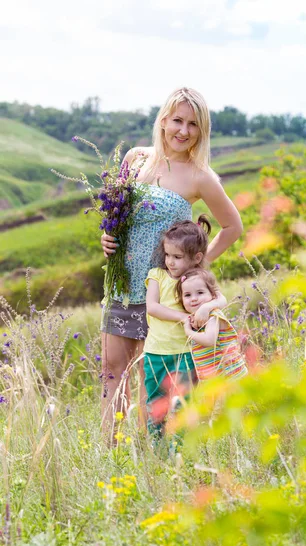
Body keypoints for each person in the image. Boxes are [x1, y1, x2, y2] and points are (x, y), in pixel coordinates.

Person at [100, 87, 243, 439]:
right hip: (121, 282)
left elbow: (232, 226)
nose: (183, 130)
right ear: (163, 120)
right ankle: (113, 449)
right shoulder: (134, 160)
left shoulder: (199, 176)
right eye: (177, 120)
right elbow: (116, 216)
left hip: (162, 293)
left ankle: (161, 453)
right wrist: (105, 239)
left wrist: (195, 268)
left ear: (201, 130)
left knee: (158, 376)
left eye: (193, 124)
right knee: (111, 369)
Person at [144, 216, 226, 434]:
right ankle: (158, 448)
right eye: (168, 255)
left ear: (196, 257)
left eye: (177, 257)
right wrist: (182, 318)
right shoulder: (157, 275)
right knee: (156, 402)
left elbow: (221, 299)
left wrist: (206, 308)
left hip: (188, 353)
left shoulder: (199, 278)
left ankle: (182, 449)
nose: (170, 262)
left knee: (185, 404)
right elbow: (152, 307)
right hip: (157, 353)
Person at [176, 268, 248, 381]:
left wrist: (189, 332)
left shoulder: (213, 315)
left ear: (213, 295)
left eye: (200, 293)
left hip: (230, 375)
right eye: (187, 295)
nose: (194, 299)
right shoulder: (195, 319)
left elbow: (210, 340)